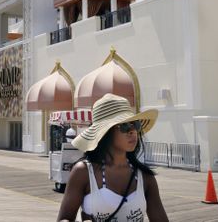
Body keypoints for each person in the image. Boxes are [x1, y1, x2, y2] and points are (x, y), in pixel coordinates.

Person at [57, 93, 168, 222]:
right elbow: (64, 218)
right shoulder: (84, 172)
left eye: (135, 124)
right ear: (105, 132)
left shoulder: (145, 176)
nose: (132, 131)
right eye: (125, 126)